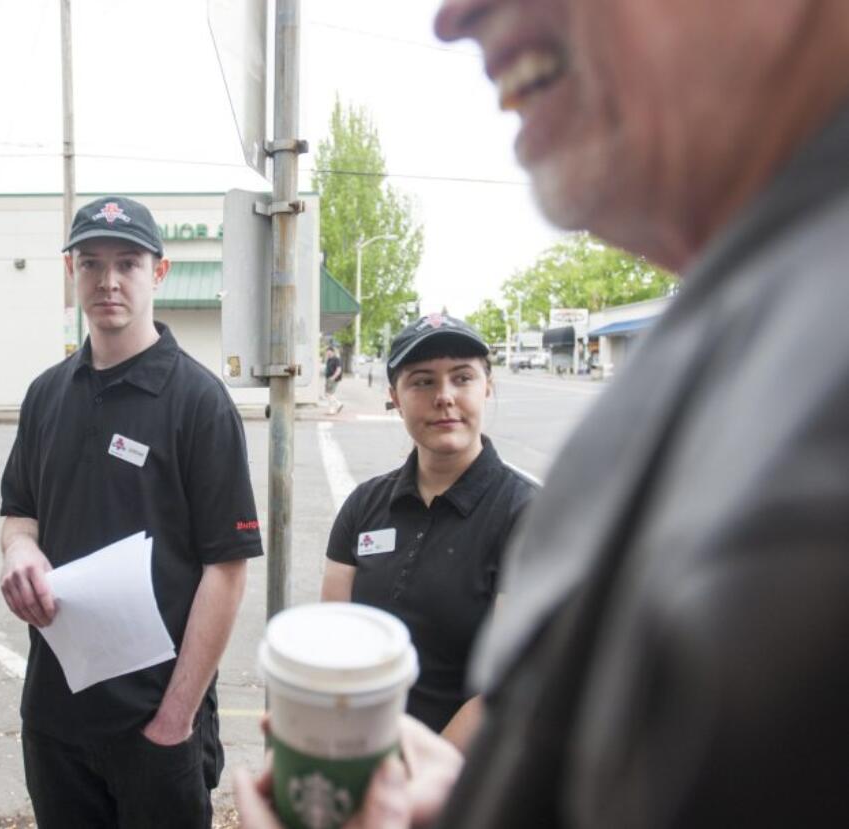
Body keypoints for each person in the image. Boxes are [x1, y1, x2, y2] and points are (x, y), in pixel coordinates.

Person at [240, 0, 849, 825]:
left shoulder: (806, 401)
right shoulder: (752, 328)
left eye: (462, 375)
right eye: (421, 381)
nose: (456, 17)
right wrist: (452, 802)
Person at [0, 195, 264, 828]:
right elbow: (19, 511)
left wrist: (175, 719)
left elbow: (225, 572)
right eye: (90, 263)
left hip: (156, 722)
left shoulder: (198, 402)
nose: (108, 280)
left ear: (159, 273)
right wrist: (20, 549)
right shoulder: (46, 395)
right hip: (55, 718)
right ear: (72, 272)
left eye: (128, 263)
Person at [321, 314, 535, 752]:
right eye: (421, 382)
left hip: (461, 779)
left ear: (487, 388)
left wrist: (411, 776)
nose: (444, 397)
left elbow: (504, 683)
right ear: (395, 399)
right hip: (360, 757)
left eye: (462, 378)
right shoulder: (364, 506)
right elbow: (333, 644)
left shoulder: (528, 516)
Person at [323, 345, 343, 414]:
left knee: (329, 394)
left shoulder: (336, 359)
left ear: (333, 352)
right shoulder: (329, 360)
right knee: (327, 394)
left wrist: (333, 377)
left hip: (333, 379)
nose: (328, 353)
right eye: (327, 352)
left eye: (329, 352)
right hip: (328, 378)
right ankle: (338, 405)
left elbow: (339, 370)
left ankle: (334, 408)